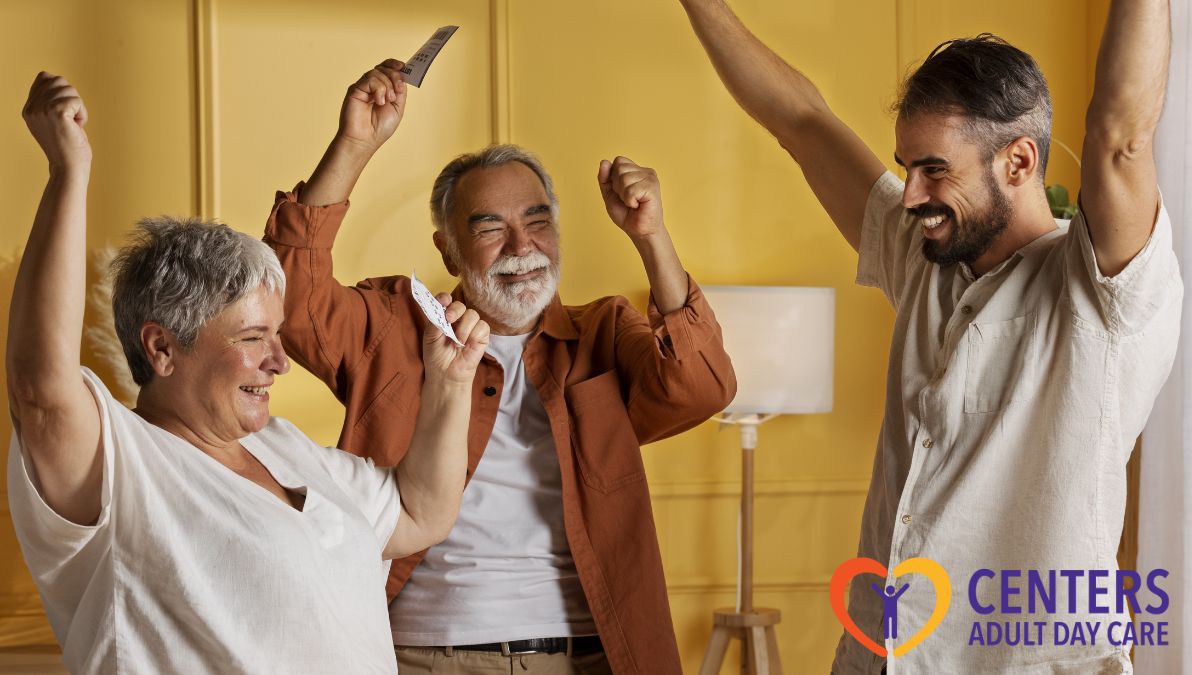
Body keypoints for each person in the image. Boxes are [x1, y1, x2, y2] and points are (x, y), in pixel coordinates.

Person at [677, 0, 1180, 672]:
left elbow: (1120, 136)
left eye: (935, 169)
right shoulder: (923, 255)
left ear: (1020, 162)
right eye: (906, 167)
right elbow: (800, 122)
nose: (911, 195)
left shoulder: (1099, 293)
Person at [263, 59, 736, 674]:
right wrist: (354, 144)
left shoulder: (604, 333)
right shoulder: (395, 328)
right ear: (449, 248)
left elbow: (701, 386)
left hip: (589, 658)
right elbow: (290, 296)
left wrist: (652, 236)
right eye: (491, 229)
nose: (522, 247)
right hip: (423, 657)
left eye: (537, 221)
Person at [6, 72, 489, 674]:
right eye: (252, 338)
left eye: (276, 335)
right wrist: (67, 171)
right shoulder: (121, 464)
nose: (280, 362)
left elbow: (420, 514)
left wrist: (450, 380)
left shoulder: (283, 448)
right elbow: (40, 391)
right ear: (161, 349)